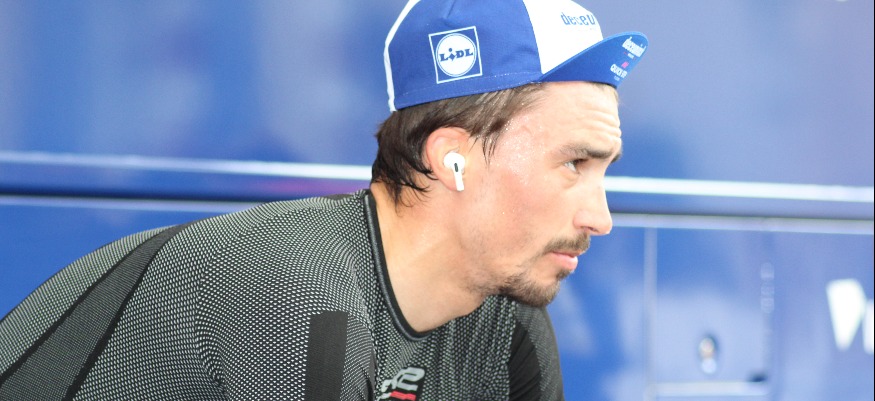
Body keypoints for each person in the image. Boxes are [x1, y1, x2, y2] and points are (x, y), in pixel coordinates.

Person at [0, 0, 647, 399]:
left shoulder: (502, 317)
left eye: (603, 171)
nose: (600, 217)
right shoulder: (295, 286)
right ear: (453, 157)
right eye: (574, 163)